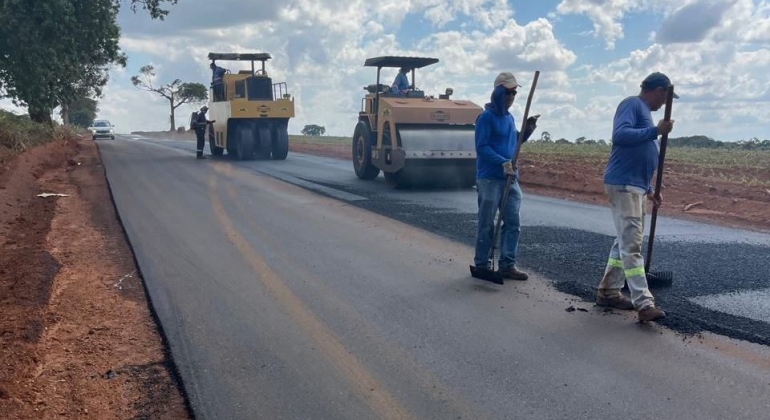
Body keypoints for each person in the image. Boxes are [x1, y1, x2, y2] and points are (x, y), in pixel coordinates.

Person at [596, 71, 677, 322]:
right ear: (660, 90)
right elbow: (620, 136)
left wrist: (650, 189)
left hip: (635, 186)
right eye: (666, 97)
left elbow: (640, 158)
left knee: (624, 241)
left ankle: (609, 291)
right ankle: (643, 303)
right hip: (623, 185)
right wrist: (655, 131)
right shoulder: (632, 104)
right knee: (632, 245)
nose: (664, 103)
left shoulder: (645, 113)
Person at [473, 72, 538, 281]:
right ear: (498, 93)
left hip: (510, 177)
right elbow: (482, 147)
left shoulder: (509, 118)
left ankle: (507, 264)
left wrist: (526, 132)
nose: (511, 97)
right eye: (508, 93)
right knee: (486, 223)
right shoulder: (486, 118)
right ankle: (482, 264)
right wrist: (502, 162)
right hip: (490, 178)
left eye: (514, 93)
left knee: (512, 222)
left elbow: (513, 144)